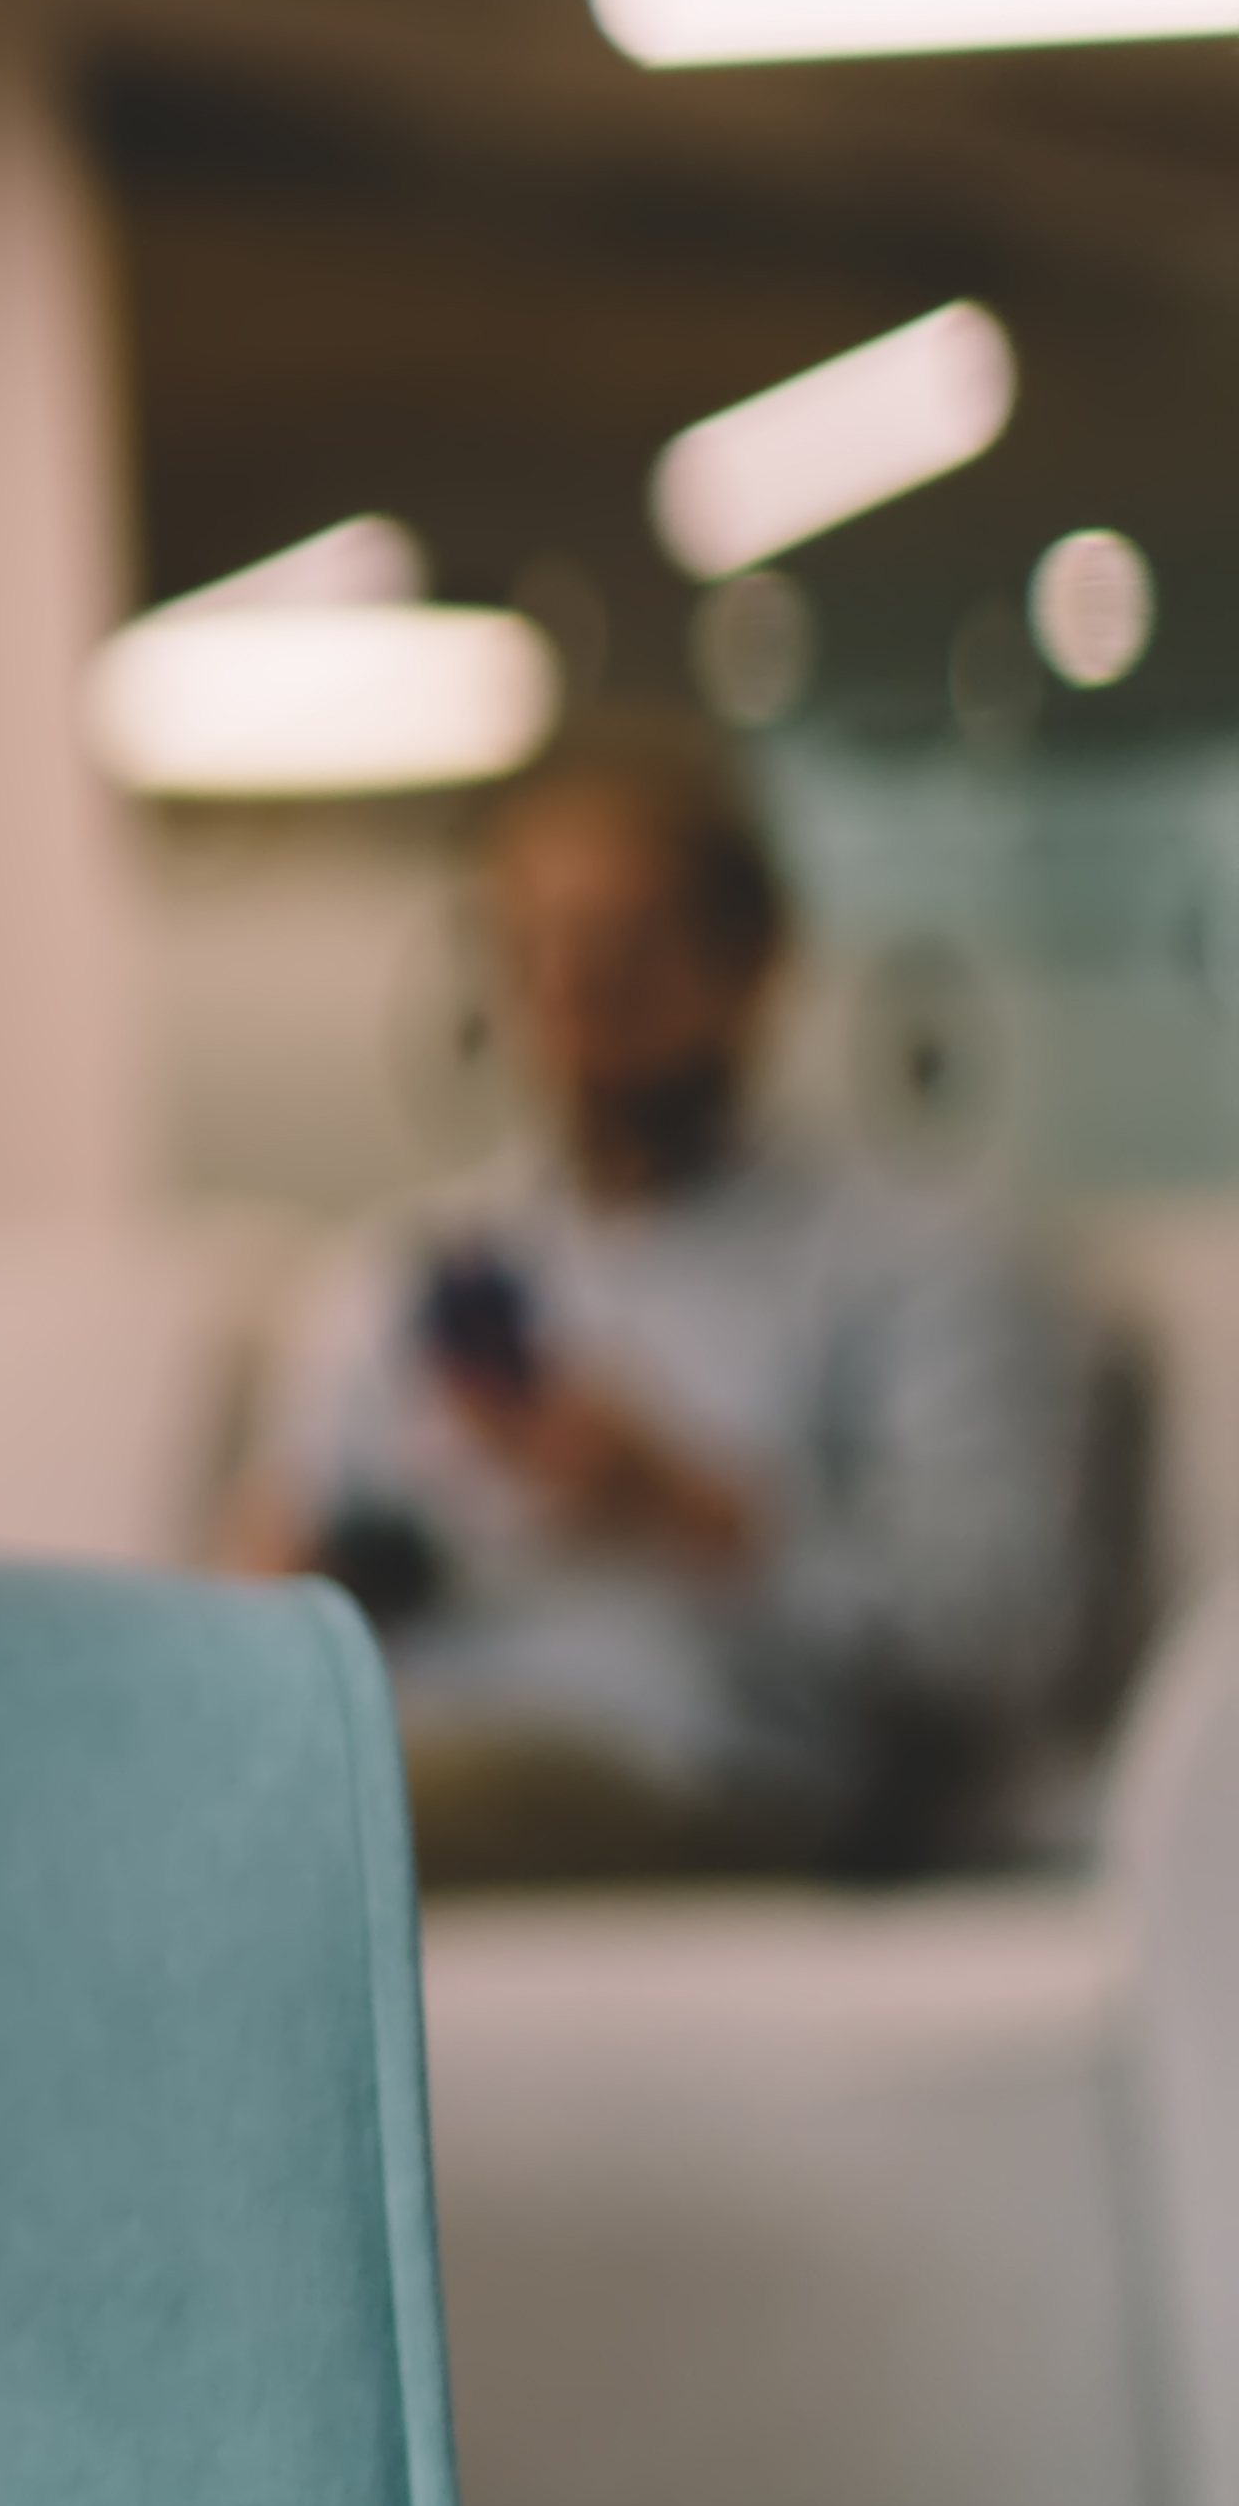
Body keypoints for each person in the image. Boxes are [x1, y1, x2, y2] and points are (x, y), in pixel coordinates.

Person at [232, 728, 1096, 1887]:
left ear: (754, 963)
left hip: (701, 1776)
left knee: (265, 1819)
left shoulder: (914, 1262)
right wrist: (280, 1595)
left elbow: (994, 1640)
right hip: (408, 1743)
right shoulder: (405, 1272)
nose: (574, 994)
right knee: (168, 1779)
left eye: (625, 947)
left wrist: (682, 1508)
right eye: (531, 949)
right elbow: (274, 1569)